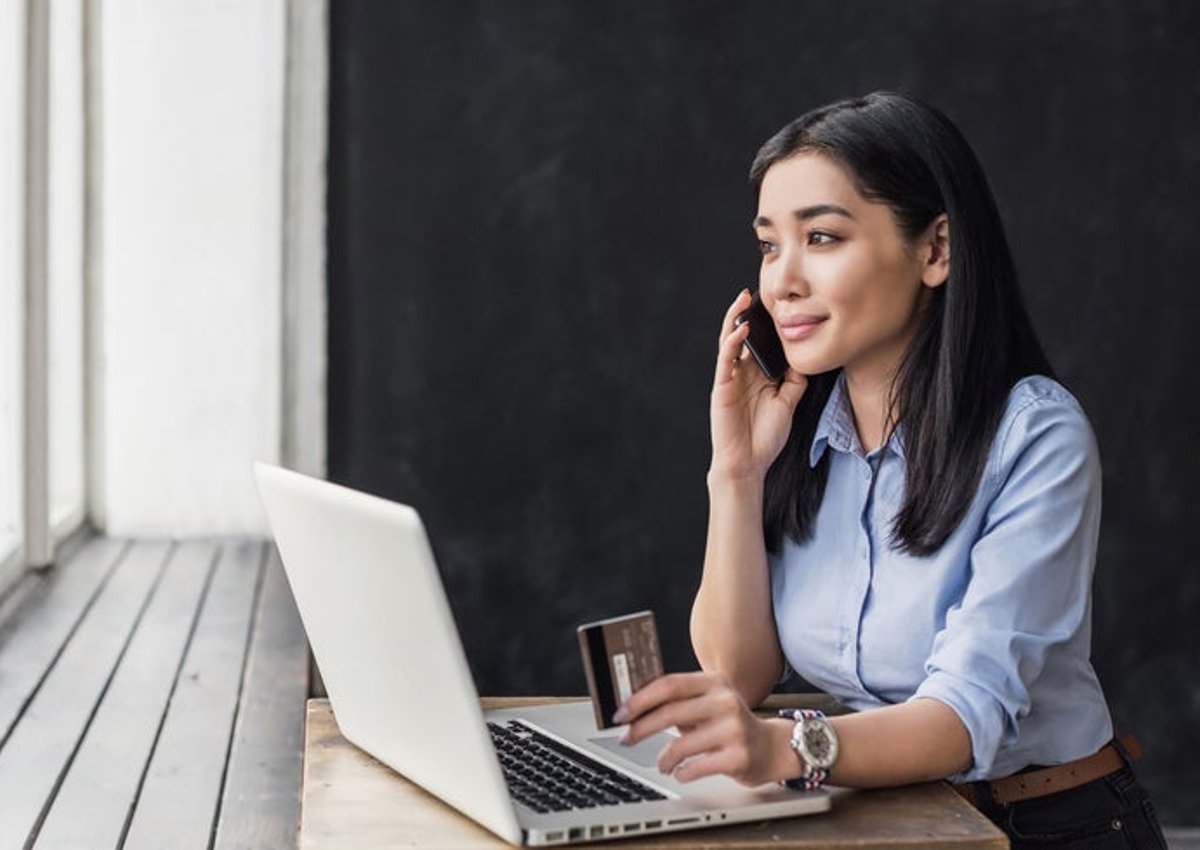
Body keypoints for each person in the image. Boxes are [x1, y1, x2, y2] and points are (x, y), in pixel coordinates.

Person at [615, 92, 1167, 849]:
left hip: (1044, 826)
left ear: (936, 250)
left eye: (823, 237)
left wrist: (784, 747)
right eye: (771, 245)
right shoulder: (801, 430)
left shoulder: (1035, 435)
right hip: (891, 820)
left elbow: (962, 716)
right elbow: (740, 677)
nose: (782, 282)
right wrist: (736, 478)